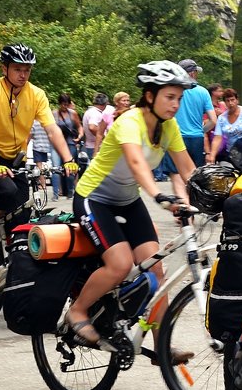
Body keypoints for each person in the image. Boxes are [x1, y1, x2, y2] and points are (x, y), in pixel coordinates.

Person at [61, 61, 198, 349]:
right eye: (169, 97)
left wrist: (218, 195)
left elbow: (188, 169)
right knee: (120, 264)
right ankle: (78, 310)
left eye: (179, 99)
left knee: (156, 269)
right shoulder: (129, 121)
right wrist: (159, 196)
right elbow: (137, 164)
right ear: (150, 95)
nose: (175, 105)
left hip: (127, 201)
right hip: (93, 198)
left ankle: (161, 344)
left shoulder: (169, 127)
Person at [0, 44, 77, 258]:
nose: (23, 74)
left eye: (27, 70)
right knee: (7, 192)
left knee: (23, 210)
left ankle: (13, 259)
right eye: (18, 69)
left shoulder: (36, 95)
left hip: (14, 160)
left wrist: (68, 159)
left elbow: (52, 130)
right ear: (4, 69)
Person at [174, 59, 216, 166]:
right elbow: (213, 120)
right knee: (195, 174)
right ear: (192, 73)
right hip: (196, 139)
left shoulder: (174, 91)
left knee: (178, 174)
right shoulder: (203, 92)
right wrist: (201, 131)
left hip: (176, 137)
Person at [209, 88, 242, 160]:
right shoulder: (222, 118)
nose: (230, 103)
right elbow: (217, 138)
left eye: (232, 100)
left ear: (237, 100)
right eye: (227, 101)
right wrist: (212, 155)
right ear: (224, 102)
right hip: (232, 154)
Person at [55, 92, 82, 196]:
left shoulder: (73, 113)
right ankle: (59, 192)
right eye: (62, 104)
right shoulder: (55, 114)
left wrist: (79, 136)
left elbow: (79, 126)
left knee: (70, 165)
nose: (64, 106)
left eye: (66, 104)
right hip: (58, 143)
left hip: (70, 142)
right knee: (58, 167)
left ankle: (70, 190)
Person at [30, 119, 57, 198]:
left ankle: (43, 184)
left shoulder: (34, 122)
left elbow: (31, 134)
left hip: (37, 147)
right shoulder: (46, 122)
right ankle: (57, 188)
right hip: (47, 146)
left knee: (39, 167)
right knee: (48, 166)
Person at [82, 93, 111, 160]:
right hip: (95, 147)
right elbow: (92, 127)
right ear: (105, 103)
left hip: (90, 145)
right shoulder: (95, 113)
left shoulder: (90, 111)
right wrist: (103, 137)